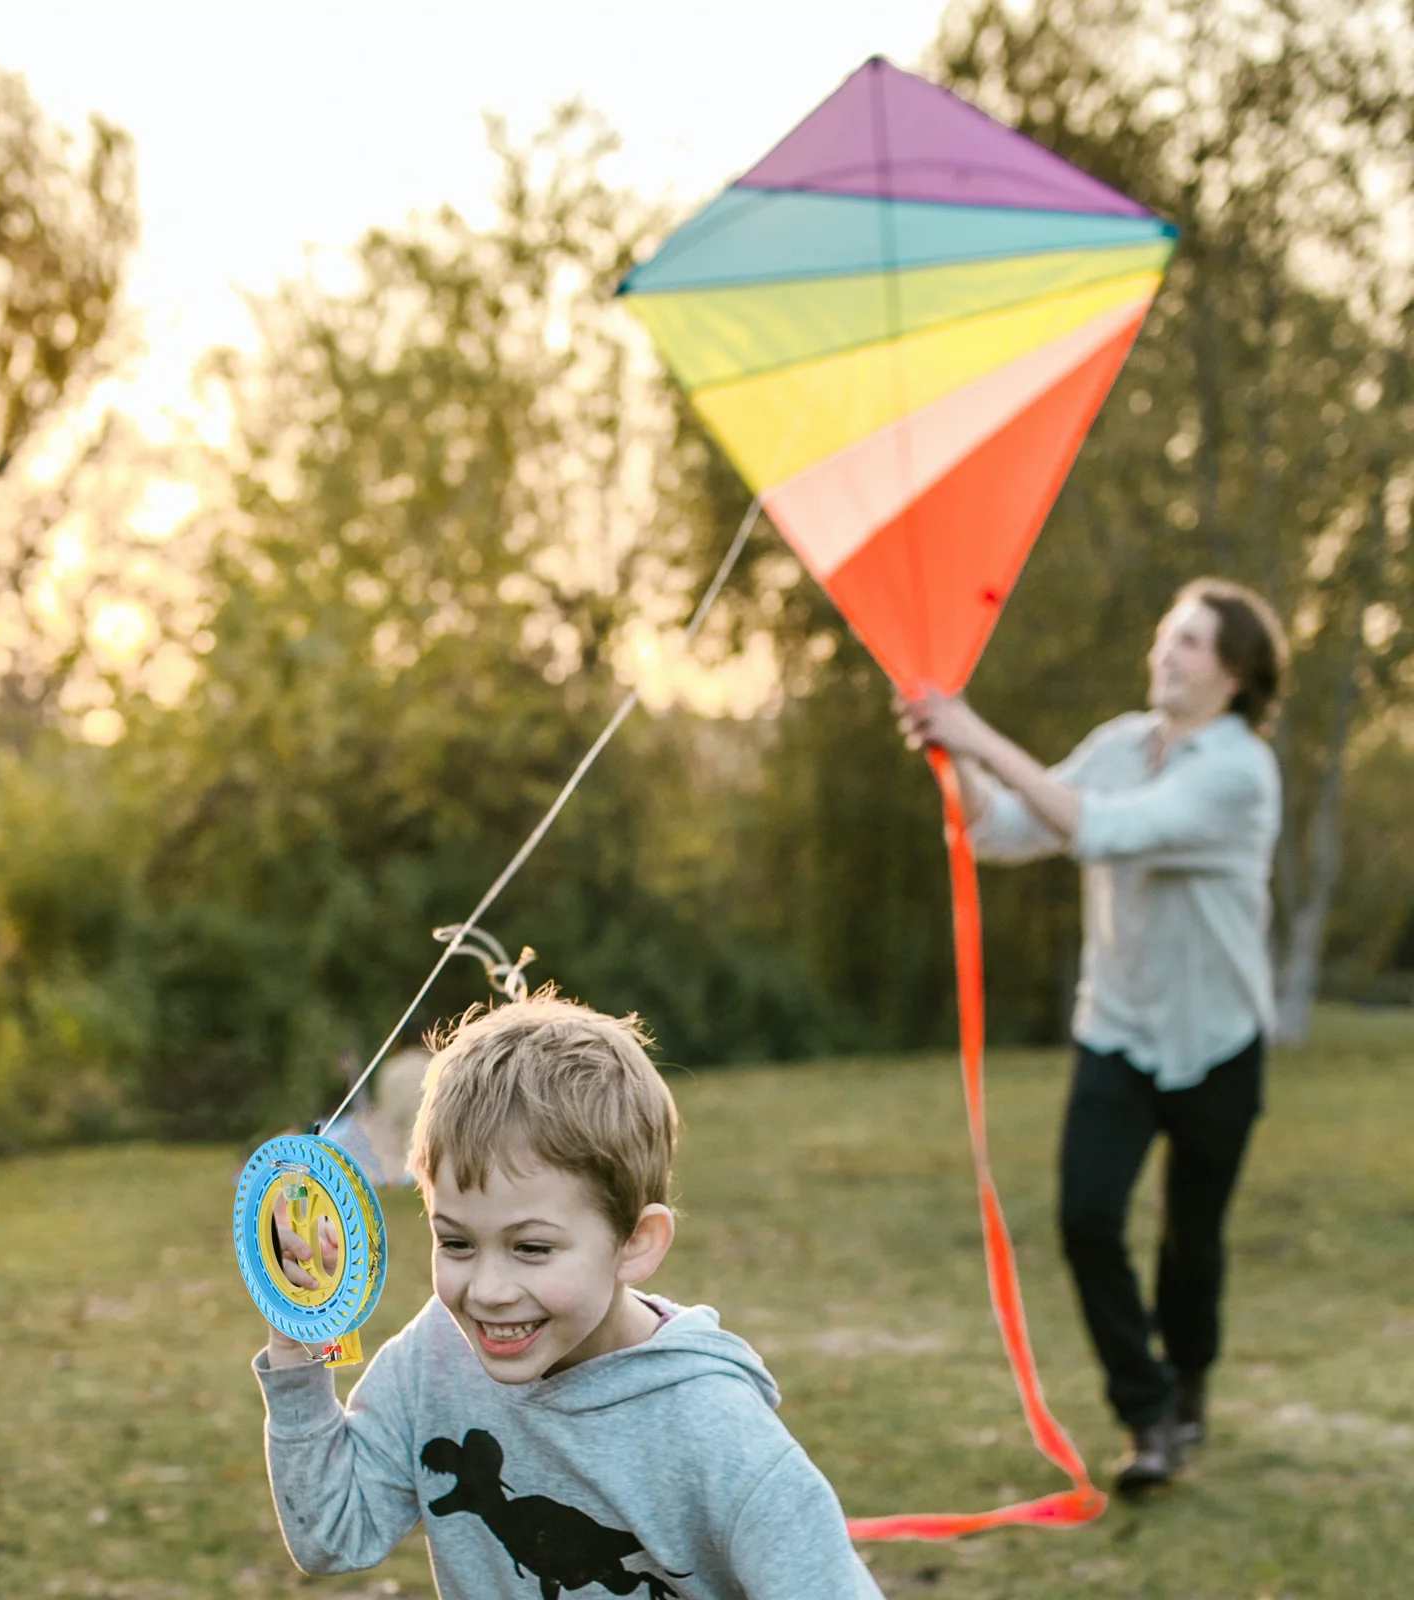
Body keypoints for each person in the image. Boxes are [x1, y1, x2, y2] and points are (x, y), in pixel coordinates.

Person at [254, 992, 883, 1598]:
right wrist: (300, 1345)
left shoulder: (719, 1436)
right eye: (457, 1243)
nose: (489, 1291)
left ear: (636, 1242)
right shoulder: (435, 1357)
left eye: (531, 1248)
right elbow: (331, 1535)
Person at [895, 578, 1287, 1496]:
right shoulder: (1120, 744)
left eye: (1190, 641)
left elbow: (1104, 833)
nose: (1166, 651)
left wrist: (976, 730)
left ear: (1233, 673)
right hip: (1117, 1029)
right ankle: (1148, 1415)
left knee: (1192, 1240)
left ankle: (1187, 1387)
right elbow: (1004, 832)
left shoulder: (1238, 771)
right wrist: (952, 758)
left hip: (1220, 1041)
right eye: (1167, 633)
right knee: (1085, 1217)